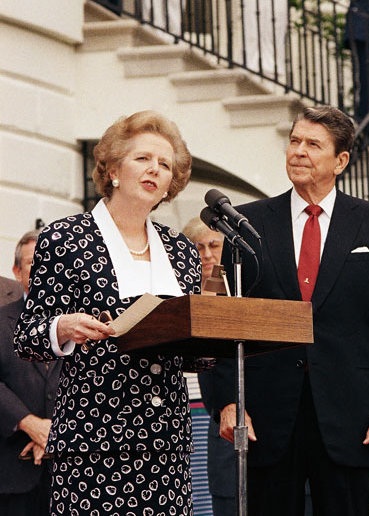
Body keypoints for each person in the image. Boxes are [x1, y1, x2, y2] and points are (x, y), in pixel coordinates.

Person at [212, 105, 369, 516]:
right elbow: (225, 323)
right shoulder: (247, 223)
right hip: (266, 419)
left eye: (312, 144)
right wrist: (228, 401)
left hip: (350, 417)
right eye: (294, 141)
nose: (298, 151)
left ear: (340, 161)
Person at [14, 110, 212, 516]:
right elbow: (27, 337)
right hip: (94, 436)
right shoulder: (65, 239)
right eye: (143, 158)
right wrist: (63, 327)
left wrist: (216, 332)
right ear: (114, 168)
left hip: (166, 441)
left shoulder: (181, 249)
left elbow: (194, 354)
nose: (155, 170)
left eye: (165, 165)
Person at [0, 230, 61, 516]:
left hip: (70, 475)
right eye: (33, 262)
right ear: (16, 271)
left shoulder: (82, 324)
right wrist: (30, 425)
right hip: (14, 471)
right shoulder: (1, 321)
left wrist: (56, 434)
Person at [182, 219, 235, 516]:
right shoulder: (177, 289)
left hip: (216, 409)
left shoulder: (230, 292)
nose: (206, 254)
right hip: (184, 408)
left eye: (214, 245)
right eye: (198, 247)